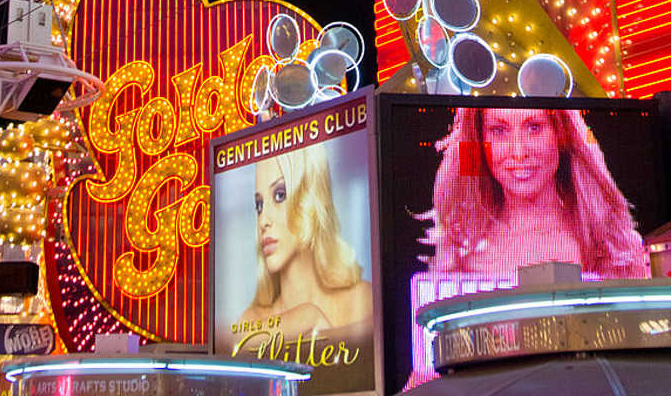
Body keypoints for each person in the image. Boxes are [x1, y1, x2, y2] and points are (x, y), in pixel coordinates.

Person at [423, 106, 648, 277]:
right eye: (499, 130)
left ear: (561, 135)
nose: (519, 152)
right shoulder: (459, 246)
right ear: (479, 142)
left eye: (534, 127)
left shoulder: (607, 239)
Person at [236, 144, 373, 343]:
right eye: (259, 205)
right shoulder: (251, 320)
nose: (263, 220)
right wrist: (306, 317)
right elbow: (233, 344)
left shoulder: (364, 301)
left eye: (279, 195)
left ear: (310, 195)